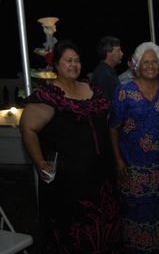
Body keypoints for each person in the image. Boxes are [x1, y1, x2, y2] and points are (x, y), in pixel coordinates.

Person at [19, 40, 122, 253]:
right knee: (74, 237)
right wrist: (39, 163)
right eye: (68, 60)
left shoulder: (91, 88)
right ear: (56, 64)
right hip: (70, 185)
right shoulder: (50, 95)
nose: (74, 65)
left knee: (103, 231)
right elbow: (27, 128)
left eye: (77, 60)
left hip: (101, 178)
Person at [109, 41, 159, 253]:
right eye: (145, 62)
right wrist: (117, 160)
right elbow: (113, 128)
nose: (150, 66)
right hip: (131, 166)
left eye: (154, 62)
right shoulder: (124, 92)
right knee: (132, 212)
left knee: (158, 212)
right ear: (137, 65)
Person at [91, 36, 124, 101]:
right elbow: (107, 106)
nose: (122, 54)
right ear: (109, 53)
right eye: (118, 51)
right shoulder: (105, 75)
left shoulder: (108, 71)